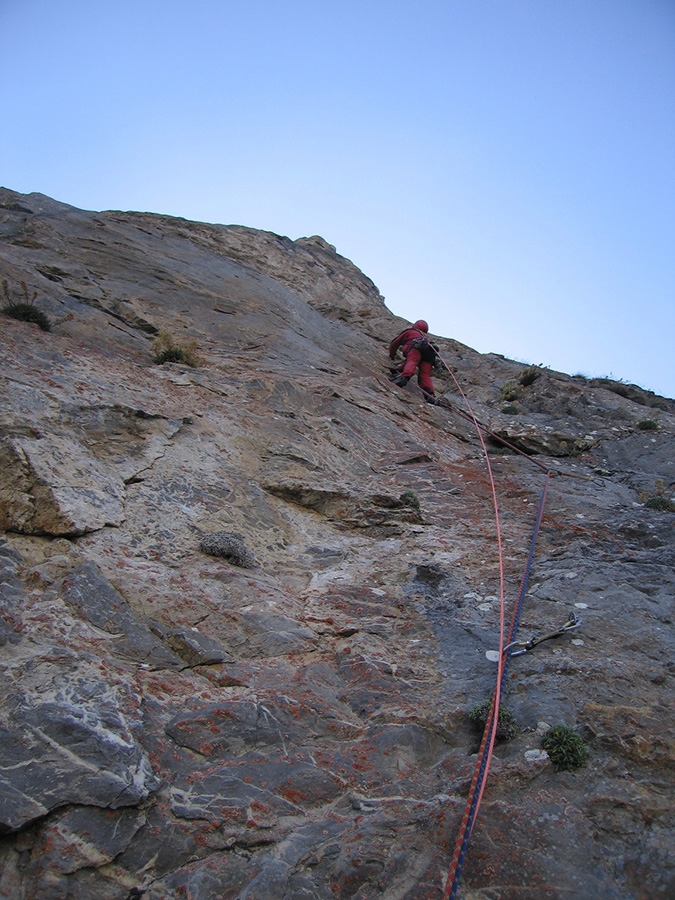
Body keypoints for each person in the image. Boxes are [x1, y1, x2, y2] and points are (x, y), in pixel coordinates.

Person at [388, 319, 439, 403]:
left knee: (412, 361)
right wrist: (400, 368)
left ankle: (405, 377)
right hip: (430, 355)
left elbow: (395, 343)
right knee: (425, 374)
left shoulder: (410, 332)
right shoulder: (427, 338)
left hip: (417, 349)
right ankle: (430, 394)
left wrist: (392, 354)